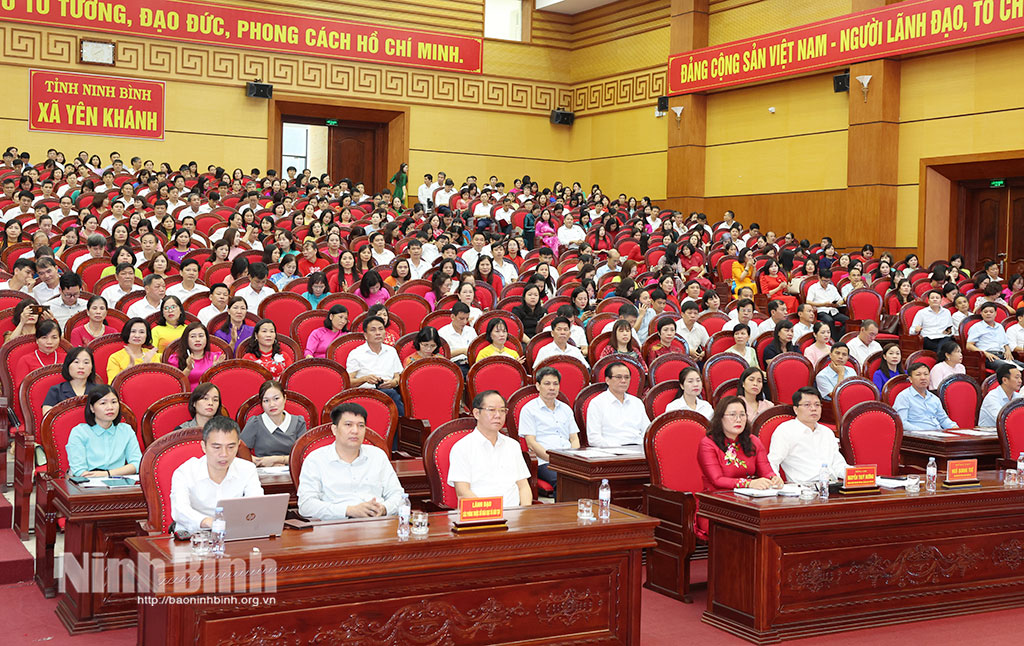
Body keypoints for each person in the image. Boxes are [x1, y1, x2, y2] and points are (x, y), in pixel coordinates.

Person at [297, 402, 405, 520]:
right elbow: (306, 505)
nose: (355, 431)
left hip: (377, 523)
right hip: (335, 526)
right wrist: (349, 510)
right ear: (334, 429)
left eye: (361, 425)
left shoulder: (378, 456)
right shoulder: (315, 460)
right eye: (348, 425)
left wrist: (384, 509)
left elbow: (399, 496)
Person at [697, 396, 782, 537]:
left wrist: (774, 478)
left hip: (748, 503)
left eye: (742, 415)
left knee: (772, 526)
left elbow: (766, 471)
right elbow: (717, 480)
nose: (738, 419)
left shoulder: (753, 441)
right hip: (715, 505)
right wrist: (749, 483)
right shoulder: (708, 444)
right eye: (732, 415)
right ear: (720, 418)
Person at [170, 415, 264, 534]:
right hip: (195, 536)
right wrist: (209, 522)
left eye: (231, 447)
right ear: (204, 447)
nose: (224, 454)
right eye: (217, 447)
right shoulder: (185, 472)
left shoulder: (247, 469)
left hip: (235, 534)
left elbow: (256, 504)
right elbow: (179, 510)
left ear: (238, 445)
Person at [448, 390, 532, 507]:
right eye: (492, 410)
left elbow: (523, 486)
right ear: (477, 413)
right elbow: (463, 492)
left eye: (502, 410)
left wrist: (526, 511)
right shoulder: (462, 447)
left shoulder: (513, 445)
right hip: (480, 513)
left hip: (515, 514)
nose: (498, 415)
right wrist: (492, 511)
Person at [519, 367, 581, 495]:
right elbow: (531, 443)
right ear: (538, 386)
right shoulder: (529, 410)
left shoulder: (566, 409)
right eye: (547, 384)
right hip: (545, 462)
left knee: (590, 479)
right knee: (565, 481)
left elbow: (574, 438)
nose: (552, 388)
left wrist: (572, 459)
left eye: (555, 384)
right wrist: (556, 461)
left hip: (570, 460)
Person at [767, 387, 850, 482]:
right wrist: (776, 481)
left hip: (831, 486)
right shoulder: (785, 430)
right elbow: (772, 462)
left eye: (817, 405)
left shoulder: (827, 432)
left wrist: (857, 474)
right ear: (795, 409)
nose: (813, 409)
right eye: (807, 405)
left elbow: (838, 464)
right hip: (803, 488)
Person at [66, 385, 142, 477]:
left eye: (114, 402)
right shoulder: (80, 432)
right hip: (89, 482)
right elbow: (79, 471)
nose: (110, 407)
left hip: (119, 480)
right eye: (103, 403)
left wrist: (107, 474)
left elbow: (137, 463)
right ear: (92, 408)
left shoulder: (126, 430)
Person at [240, 380, 309, 466]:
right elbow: (239, 452)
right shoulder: (255, 423)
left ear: (284, 398)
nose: (272, 404)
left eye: (276, 399)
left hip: (291, 470)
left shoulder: (298, 422)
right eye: (266, 401)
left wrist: (276, 460)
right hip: (262, 470)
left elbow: (303, 455)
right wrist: (260, 462)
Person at [346, 316, 404, 416]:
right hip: (366, 393)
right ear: (365, 335)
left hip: (389, 392)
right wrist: (365, 379)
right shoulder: (356, 353)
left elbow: (398, 377)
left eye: (381, 329)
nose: (378, 333)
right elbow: (348, 382)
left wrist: (393, 383)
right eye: (373, 330)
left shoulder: (391, 351)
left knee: (393, 395)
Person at [586, 361, 650, 446]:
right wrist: (617, 448)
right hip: (610, 450)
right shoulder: (597, 403)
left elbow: (647, 431)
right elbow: (593, 438)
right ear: (607, 380)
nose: (623, 381)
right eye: (618, 377)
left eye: (627, 377)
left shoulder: (637, 402)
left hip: (638, 448)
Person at [894, 363, 957, 430]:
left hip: (938, 433)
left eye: (926, 374)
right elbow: (902, 423)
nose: (923, 378)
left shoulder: (934, 398)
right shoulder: (904, 397)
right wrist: (923, 433)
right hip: (917, 435)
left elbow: (943, 419)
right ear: (910, 379)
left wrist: (955, 428)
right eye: (918, 375)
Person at [42, 347, 100, 415]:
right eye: (76, 362)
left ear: (92, 368)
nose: (81, 366)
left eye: (86, 362)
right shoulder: (56, 391)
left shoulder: (99, 391)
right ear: (68, 366)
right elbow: (48, 418)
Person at [967, 302, 1024, 371]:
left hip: (1002, 355)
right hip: (988, 357)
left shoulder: (999, 326)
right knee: (1008, 367)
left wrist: (1008, 350)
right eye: (985, 312)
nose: (988, 314)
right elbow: (969, 345)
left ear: (995, 313)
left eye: (991, 312)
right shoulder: (976, 327)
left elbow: (1005, 343)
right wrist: (985, 353)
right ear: (981, 313)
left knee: (1022, 365)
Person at [106, 318, 160, 382]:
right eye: (133, 331)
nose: (137, 335)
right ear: (127, 333)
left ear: (147, 335)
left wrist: (146, 364)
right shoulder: (115, 358)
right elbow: (113, 384)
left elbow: (157, 381)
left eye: (142, 332)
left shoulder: (152, 355)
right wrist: (129, 370)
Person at [805, 268, 847, 338]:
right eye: (824, 281)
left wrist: (837, 304)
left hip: (833, 310)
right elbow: (808, 301)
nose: (826, 283)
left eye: (828, 281)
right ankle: (833, 340)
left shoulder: (832, 288)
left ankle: (840, 338)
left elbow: (840, 300)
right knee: (829, 321)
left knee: (847, 320)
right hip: (821, 311)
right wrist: (823, 304)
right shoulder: (813, 288)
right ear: (819, 278)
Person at [438, 302, 478, 372]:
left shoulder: (471, 330)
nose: (465, 322)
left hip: (472, 363)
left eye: (467, 319)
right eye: (461, 319)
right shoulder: (442, 333)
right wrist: (461, 351)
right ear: (453, 317)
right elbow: (440, 356)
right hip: (454, 365)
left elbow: (477, 349)